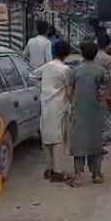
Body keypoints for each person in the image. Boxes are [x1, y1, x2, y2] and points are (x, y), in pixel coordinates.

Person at [68, 41, 111, 187]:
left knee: (79, 144)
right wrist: (102, 99)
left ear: (81, 53)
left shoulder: (76, 70)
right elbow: (109, 86)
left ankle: (78, 176)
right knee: (95, 142)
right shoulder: (100, 70)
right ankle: (97, 174)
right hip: (96, 110)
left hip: (79, 111)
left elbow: (70, 91)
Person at [30, 40, 72, 182]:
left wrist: (43, 85)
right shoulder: (65, 69)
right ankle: (58, 171)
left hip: (46, 105)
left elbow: (32, 75)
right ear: (67, 54)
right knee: (59, 139)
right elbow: (70, 88)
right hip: (59, 106)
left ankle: (49, 168)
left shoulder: (46, 67)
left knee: (47, 137)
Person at [95, 34, 111, 150]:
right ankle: (101, 142)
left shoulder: (93, 55)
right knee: (109, 117)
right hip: (106, 91)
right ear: (108, 45)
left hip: (94, 90)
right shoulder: (107, 59)